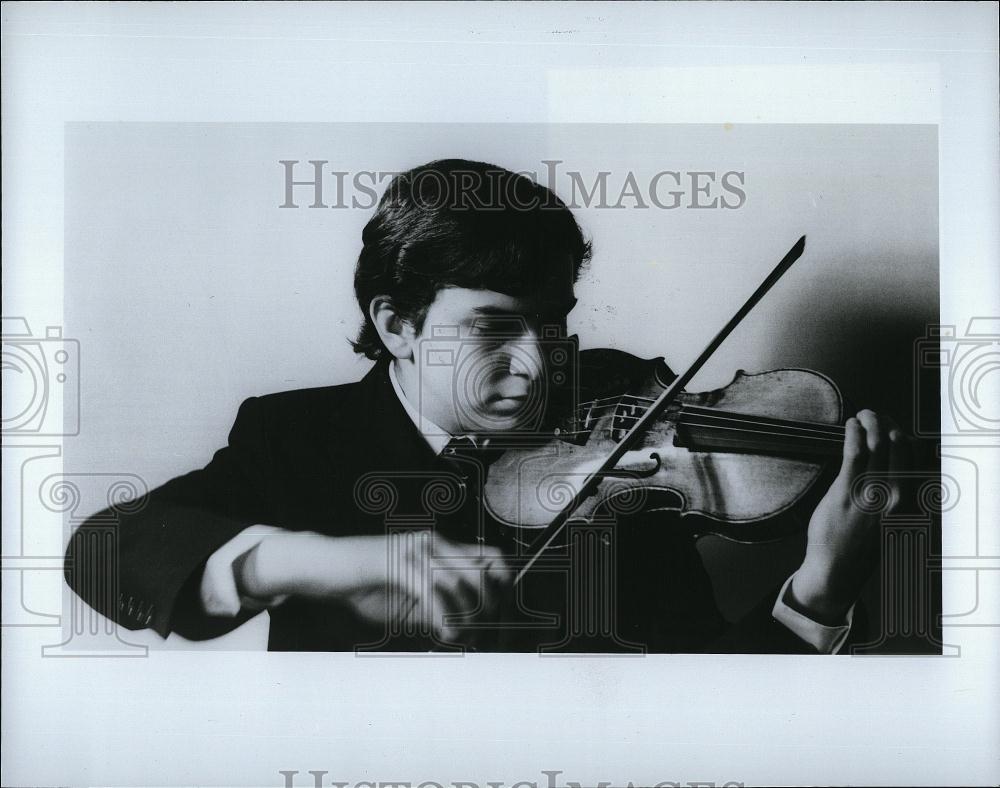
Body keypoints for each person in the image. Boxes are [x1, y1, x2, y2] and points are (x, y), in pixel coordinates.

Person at [64, 159, 908, 653]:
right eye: (493, 329)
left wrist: (823, 588)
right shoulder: (298, 438)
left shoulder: (628, 445)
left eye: (553, 324)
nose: (541, 365)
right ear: (397, 325)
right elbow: (104, 554)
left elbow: (708, 699)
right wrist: (306, 561)